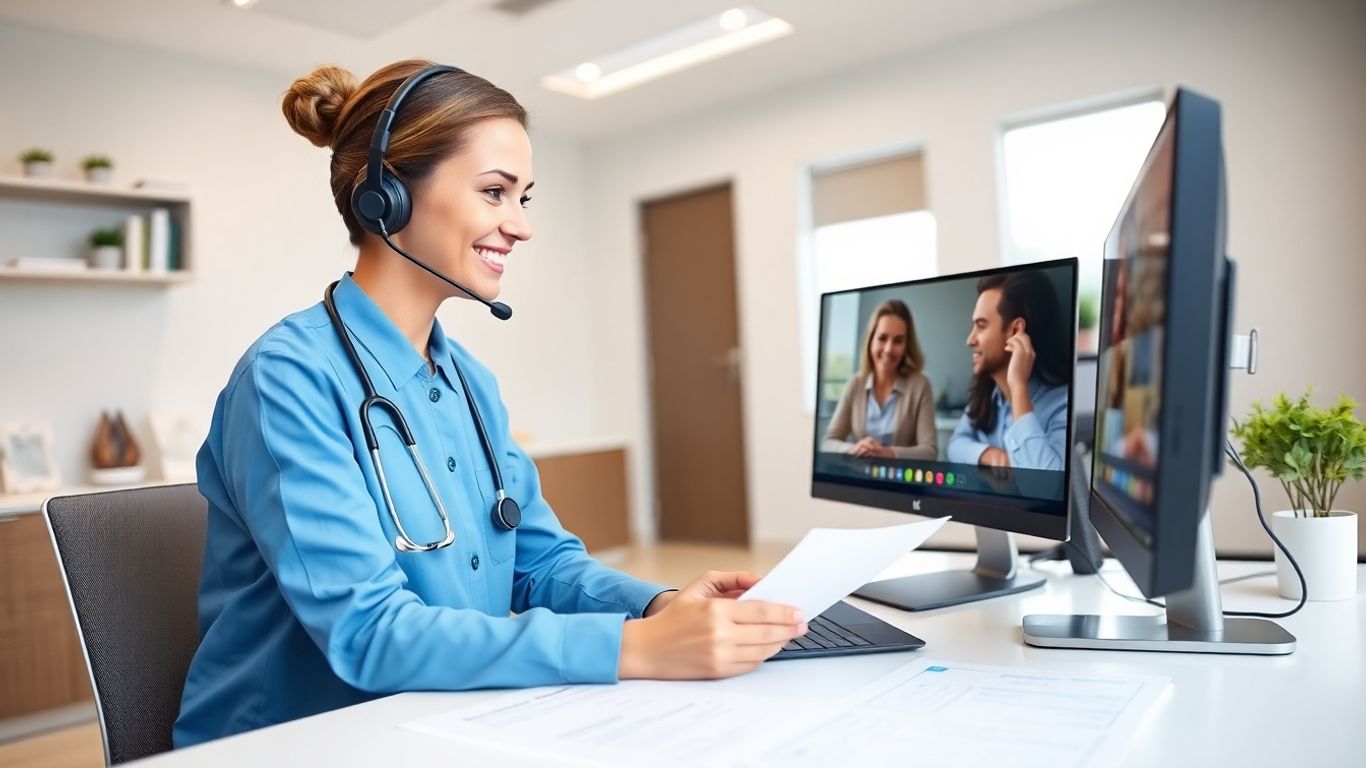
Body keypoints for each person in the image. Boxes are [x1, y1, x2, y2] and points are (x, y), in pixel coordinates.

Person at [173, 60, 805, 748]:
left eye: (523, 198)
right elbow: (370, 634)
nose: (521, 226)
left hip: (442, 719)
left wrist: (657, 607)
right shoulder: (289, 377)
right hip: (294, 743)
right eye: (496, 192)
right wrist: (637, 649)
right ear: (386, 196)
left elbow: (540, 564)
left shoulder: (469, 382)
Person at [947, 271, 1070, 472]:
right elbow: (955, 444)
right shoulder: (989, 395)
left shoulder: (1062, 404)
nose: (970, 340)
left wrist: (1018, 386)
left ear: (1015, 331)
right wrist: (989, 454)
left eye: (981, 326)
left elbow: (1046, 488)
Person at [822, 299, 937, 460]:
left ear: (906, 345)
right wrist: (854, 448)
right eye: (882, 338)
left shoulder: (921, 385)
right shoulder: (855, 384)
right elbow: (828, 442)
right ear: (871, 340)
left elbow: (929, 451)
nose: (889, 349)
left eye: (898, 340)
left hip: (902, 482)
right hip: (859, 480)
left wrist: (887, 453)